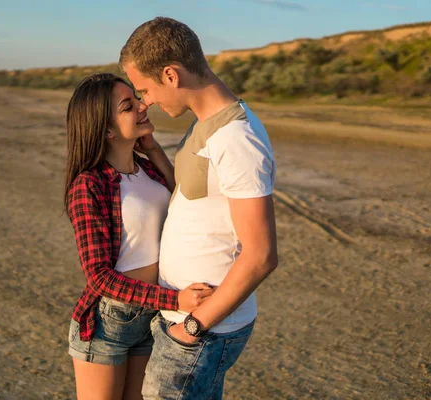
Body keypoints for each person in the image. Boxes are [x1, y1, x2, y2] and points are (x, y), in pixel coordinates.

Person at [120, 17, 279, 399]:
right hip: (185, 319)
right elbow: (197, 198)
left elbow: (261, 256)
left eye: (145, 89)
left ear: (171, 75)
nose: (146, 102)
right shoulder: (205, 125)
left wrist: (191, 328)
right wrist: (156, 153)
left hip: (204, 328)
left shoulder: (237, 139)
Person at [64, 73, 215, 400]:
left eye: (138, 98)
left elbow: (184, 202)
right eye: (128, 106)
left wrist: (155, 149)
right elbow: (99, 276)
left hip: (152, 317)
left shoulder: (148, 170)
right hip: (108, 322)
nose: (143, 105)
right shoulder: (89, 186)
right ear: (106, 129)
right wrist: (175, 300)